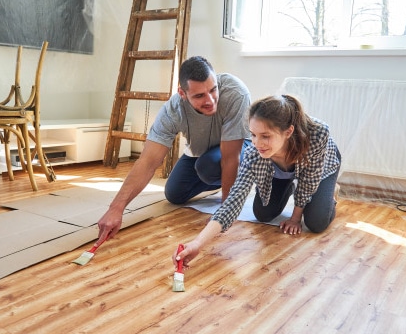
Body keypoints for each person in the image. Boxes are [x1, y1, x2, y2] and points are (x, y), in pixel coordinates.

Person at [173, 94, 341, 268]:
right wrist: (197, 243)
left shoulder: (317, 135)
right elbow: (234, 201)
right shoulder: (255, 153)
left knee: (316, 223)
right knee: (263, 214)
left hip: (321, 168)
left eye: (265, 136)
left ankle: (330, 195)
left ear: (288, 132)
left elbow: (309, 180)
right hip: (280, 169)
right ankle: (288, 185)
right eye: (253, 135)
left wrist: (295, 217)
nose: (257, 143)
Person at [97, 56, 251, 245]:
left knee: (209, 166)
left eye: (213, 90)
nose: (210, 100)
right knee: (174, 194)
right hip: (200, 152)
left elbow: (230, 158)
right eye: (199, 96)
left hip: (237, 150)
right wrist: (116, 208)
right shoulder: (173, 111)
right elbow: (147, 162)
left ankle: (241, 180)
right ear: (182, 94)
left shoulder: (236, 93)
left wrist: (226, 213)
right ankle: (223, 180)